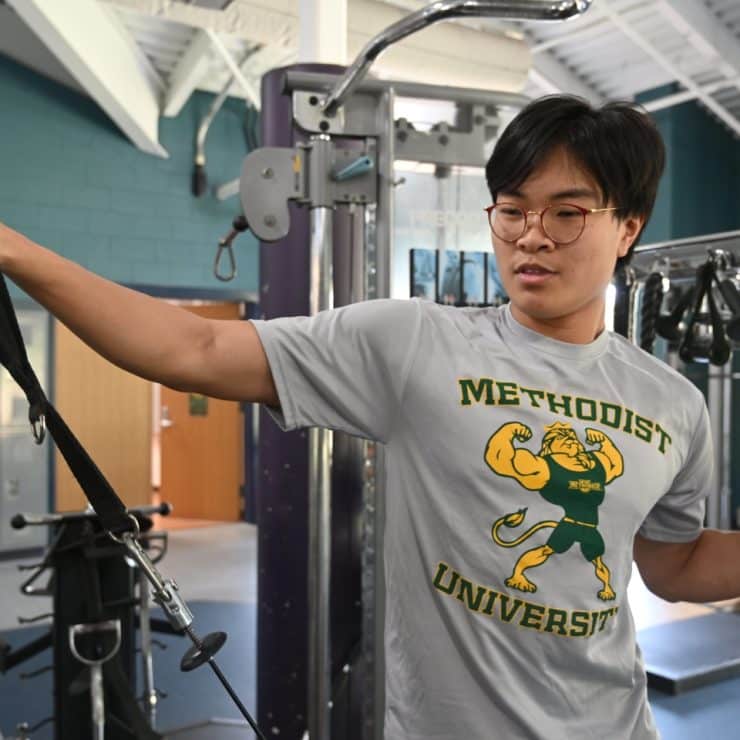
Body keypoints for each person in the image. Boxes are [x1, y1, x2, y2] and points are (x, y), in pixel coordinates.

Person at [0, 94, 736, 740]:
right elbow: (191, 345)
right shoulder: (415, 342)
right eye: (512, 210)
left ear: (629, 227)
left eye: (568, 214)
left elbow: (672, 564)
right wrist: (14, 250)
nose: (530, 236)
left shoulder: (672, 403)